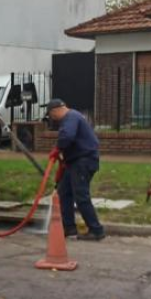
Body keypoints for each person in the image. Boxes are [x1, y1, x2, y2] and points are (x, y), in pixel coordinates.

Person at [46, 99, 105, 241]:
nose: (52, 119)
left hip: (83, 162)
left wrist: (58, 148)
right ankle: (69, 228)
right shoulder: (73, 117)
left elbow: (67, 136)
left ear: (56, 110)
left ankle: (96, 230)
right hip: (75, 162)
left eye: (51, 115)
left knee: (81, 196)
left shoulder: (71, 117)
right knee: (64, 193)